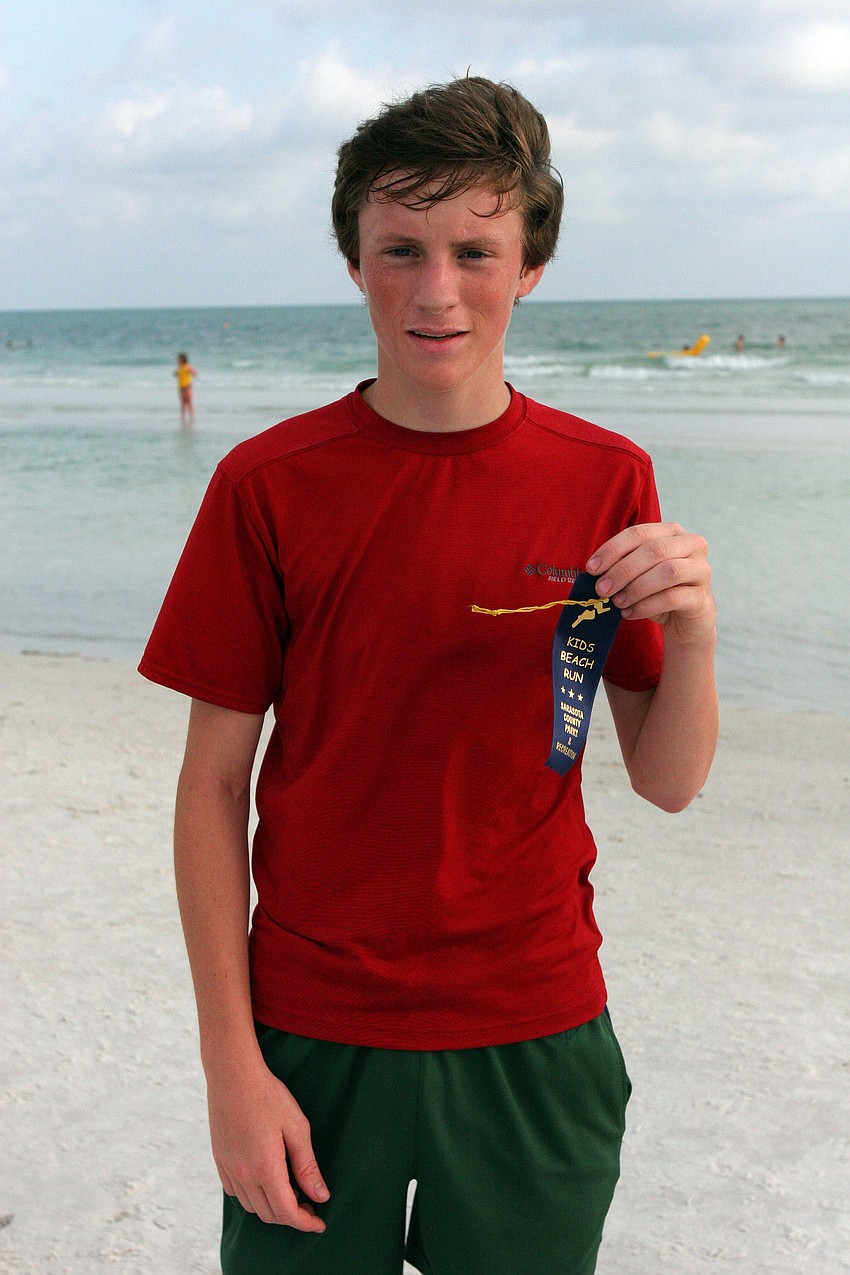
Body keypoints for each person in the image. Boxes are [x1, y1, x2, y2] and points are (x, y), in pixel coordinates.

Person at [139, 76, 717, 1275]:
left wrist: (698, 635)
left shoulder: (604, 475)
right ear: (355, 261)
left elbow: (665, 780)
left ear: (531, 265)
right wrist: (230, 1070)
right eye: (399, 249)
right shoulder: (267, 484)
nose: (436, 290)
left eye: (475, 250)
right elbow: (209, 792)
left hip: (535, 1028)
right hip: (309, 1030)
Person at [174, 351, 197, 425]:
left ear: (183, 360)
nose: (178, 361)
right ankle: (182, 419)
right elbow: (175, 374)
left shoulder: (187, 366)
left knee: (189, 403)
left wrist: (192, 372)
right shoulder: (179, 368)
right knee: (183, 404)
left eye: (179, 359)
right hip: (181, 388)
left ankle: (192, 418)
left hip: (187, 387)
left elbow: (194, 372)